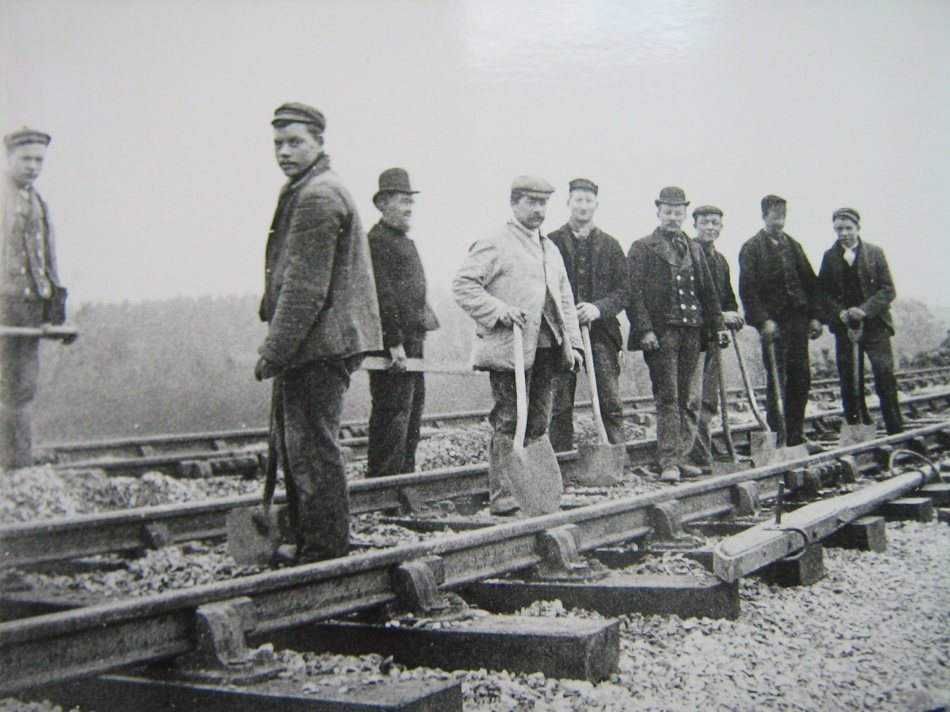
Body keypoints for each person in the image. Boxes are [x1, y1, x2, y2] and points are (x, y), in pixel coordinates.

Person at [255, 103, 382, 563]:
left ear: (319, 143)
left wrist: (275, 348)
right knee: (304, 444)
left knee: (310, 447)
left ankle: (323, 549)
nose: (284, 152)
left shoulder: (318, 196)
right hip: (319, 340)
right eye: (277, 144)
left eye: (295, 142)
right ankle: (312, 540)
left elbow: (306, 288)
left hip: (318, 342)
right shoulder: (309, 189)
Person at [453, 176, 583, 515]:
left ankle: (535, 494)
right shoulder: (495, 241)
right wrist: (499, 311)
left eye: (543, 203)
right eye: (531, 202)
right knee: (509, 418)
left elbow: (565, 300)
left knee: (539, 421)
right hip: (508, 349)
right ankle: (504, 496)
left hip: (547, 347)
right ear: (514, 203)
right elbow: (464, 285)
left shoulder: (549, 248)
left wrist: (577, 345)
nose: (539, 210)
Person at [626, 187, 726, 482]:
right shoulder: (643, 247)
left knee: (687, 398)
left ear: (684, 214)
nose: (673, 217)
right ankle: (668, 461)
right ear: (658, 212)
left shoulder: (694, 249)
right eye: (668, 212)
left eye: (678, 212)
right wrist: (644, 329)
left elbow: (708, 293)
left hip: (692, 331)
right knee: (668, 397)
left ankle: (681, 458)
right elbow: (634, 294)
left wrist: (717, 325)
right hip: (661, 334)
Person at [1, 128, 69, 472]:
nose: (32, 166)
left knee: (22, 390)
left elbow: (47, 261)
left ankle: (17, 469)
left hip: (27, 311)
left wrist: (55, 314)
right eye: (25, 159)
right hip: (2, 306)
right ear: (8, 158)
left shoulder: (38, 202)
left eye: (38, 160)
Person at [366, 168, 439, 477]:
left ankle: (403, 480)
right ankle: (384, 482)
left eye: (411, 202)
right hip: (394, 344)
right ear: (383, 203)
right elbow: (382, 295)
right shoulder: (377, 240)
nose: (409, 208)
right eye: (401, 201)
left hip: (413, 340)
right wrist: (394, 343)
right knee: (392, 413)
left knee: (411, 414)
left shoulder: (402, 240)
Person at [547, 178, 628, 452]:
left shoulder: (611, 245)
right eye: (578, 200)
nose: (583, 206)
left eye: (588, 201)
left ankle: (616, 454)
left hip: (602, 333)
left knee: (610, 400)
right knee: (559, 404)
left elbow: (625, 290)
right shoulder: (551, 243)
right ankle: (561, 460)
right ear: (568, 203)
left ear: (596, 205)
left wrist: (598, 308)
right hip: (561, 335)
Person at [738, 195, 823, 447]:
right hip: (773, 325)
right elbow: (748, 290)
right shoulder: (752, 248)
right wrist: (763, 320)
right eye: (775, 218)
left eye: (783, 217)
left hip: (797, 320)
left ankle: (795, 433)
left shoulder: (794, 246)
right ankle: (777, 434)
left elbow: (811, 283)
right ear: (764, 216)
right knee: (777, 378)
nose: (780, 223)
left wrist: (815, 317)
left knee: (801, 377)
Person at [817, 208, 903, 434]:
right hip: (846, 328)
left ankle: (895, 427)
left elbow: (887, 290)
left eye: (848, 228)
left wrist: (864, 310)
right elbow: (823, 293)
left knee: (884, 374)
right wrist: (840, 313)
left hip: (875, 326)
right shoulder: (829, 256)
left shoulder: (875, 253)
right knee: (849, 379)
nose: (844, 233)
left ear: (857, 228)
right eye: (839, 229)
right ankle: (857, 425)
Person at [685, 205, 744, 470]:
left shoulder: (720, 261)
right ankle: (696, 454)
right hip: (694, 336)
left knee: (710, 398)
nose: (710, 227)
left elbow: (728, 297)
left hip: (714, 337)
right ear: (695, 225)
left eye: (715, 223)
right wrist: (721, 315)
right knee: (693, 397)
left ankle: (704, 450)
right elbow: (691, 300)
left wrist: (732, 313)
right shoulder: (689, 253)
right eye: (705, 222)